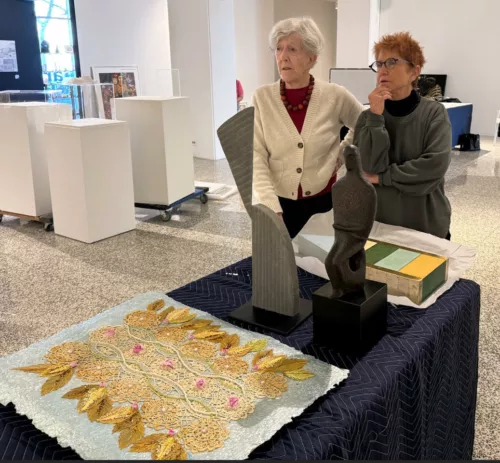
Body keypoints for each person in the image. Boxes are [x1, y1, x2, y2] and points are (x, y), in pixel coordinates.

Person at [252, 17, 364, 239]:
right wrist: (270, 206)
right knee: (281, 268)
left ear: (312, 58)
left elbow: (365, 124)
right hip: (278, 204)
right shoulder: (262, 98)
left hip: (324, 203)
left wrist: (341, 153)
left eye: (292, 49)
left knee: (321, 267)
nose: (283, 56)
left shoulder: (335, 95)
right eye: (278, 49)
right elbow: (256, 156)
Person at [354, 31, 452, 239]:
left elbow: (433, 168)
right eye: (379, 64)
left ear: (414, 72)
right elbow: (368, 167)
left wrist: (383, 178)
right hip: (379, 223)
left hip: (424, 223)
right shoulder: (367, 117)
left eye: (391, 62)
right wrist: (376, 117)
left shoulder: (434, 113)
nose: (382, 70)